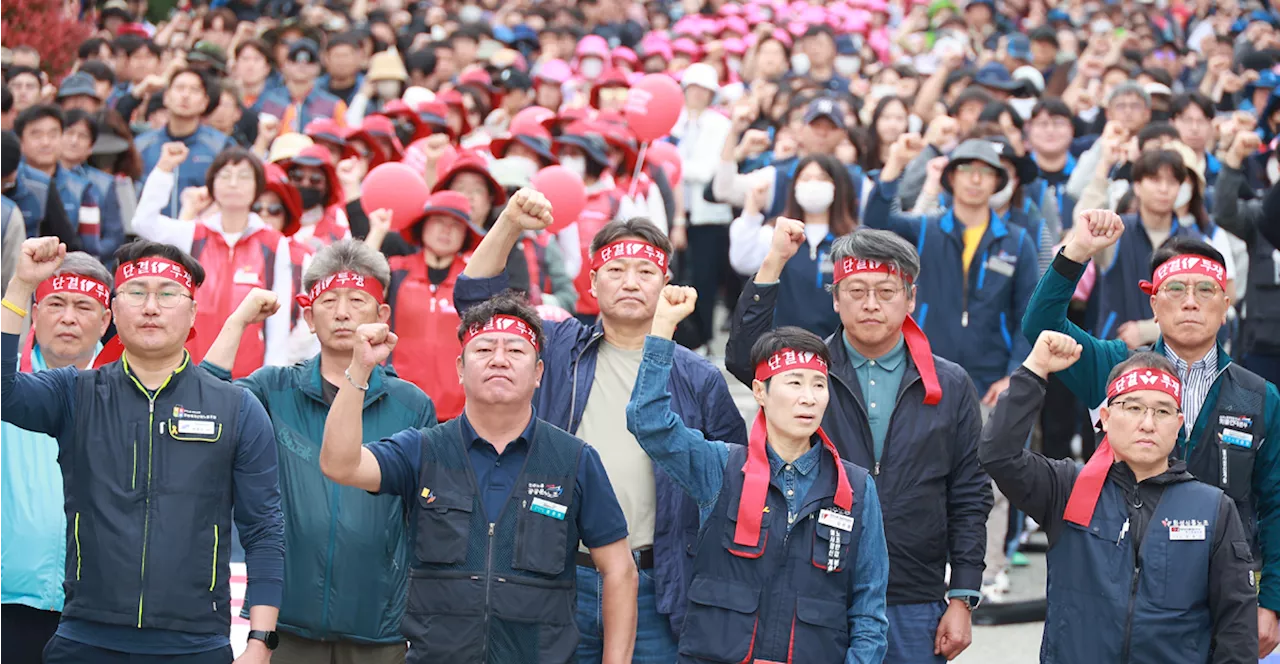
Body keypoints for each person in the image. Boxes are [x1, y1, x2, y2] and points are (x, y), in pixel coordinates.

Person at [456, 193, 748, 662]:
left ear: (666, 282)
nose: (630, 282)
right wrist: (510, 222)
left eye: (645, 271)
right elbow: (476, 299)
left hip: (660, 587)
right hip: (558, 575)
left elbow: (733, 488)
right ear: (592, 282)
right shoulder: (558, 348)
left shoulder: (700, 378)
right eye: (615, 270)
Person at [0, 237, 284, 663]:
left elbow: (264, 530)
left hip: (194, 642)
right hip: (86, 638)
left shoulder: (236, 408)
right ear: (113, 313)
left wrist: (260, 642)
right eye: (136, 293)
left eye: (167, 294)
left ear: (192, 312)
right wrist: (21, 286)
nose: (151, 307)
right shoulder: (75, 393)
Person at [319, 288, 638, 664]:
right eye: (484, 350)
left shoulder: (574, 460)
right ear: (460, 368)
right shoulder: (423, 450)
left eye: (516, 351)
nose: (499, 360)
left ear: (538, 373)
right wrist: (359, 369)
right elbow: (340, 464)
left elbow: (619, 571)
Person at [1023, 209, 1280, 658]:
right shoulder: (1112, 367)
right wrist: (1078, 251)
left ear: (1226, 305)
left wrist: (1272, 603)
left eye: (1206, 291)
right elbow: (1040, 326)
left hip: (1223, 592)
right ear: (1154, 304)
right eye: (1175, 290)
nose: (1190, 301)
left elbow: (1276, 504)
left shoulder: (1260, 397)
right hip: (1122, 588)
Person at [726, 226, 990, 663]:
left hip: (915, 595)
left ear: (910, 298)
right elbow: (741, 356)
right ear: (835, 297)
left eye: (886, 291)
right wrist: (773, 261)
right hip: (814, 591)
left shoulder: (950, 383)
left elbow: (969, 493)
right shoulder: (809, 375)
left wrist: (962, 596)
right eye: (856, 290)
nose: (871, 303)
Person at [199, 239, 435, 663]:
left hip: (380, 629)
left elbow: (425, 518)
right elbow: (205, 409)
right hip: (284, 623)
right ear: (308, 317)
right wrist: (238, 320)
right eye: (328, 301)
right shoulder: (273, 390)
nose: (342, 312)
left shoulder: (411, 405)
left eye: (357, 299)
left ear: (382, 315)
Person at [629, 286, 890, 662]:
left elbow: (868, 611)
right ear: (760, 391)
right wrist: (662, 331)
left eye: (818, 384)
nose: (809, 397)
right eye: (794, 382)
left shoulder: (856, 489)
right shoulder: (720, 467)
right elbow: (649, 423)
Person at [980, 330, 1258, 662]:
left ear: (1178, 424)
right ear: (1107, 419)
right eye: (1133, 407)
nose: (1147, 423)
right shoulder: (1067, 488)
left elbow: (1236, 631)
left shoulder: (1212, 508)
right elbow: (998, 454)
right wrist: (1035, 368)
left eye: (1163, 411)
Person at [866, 134, 1039, 407]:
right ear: (951, 177)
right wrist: (895, 162)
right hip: (925, 374)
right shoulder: (924, 230)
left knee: (995, 450)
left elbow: (1029, 317)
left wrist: (1014, 376)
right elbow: (875, 226)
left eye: (985, 172)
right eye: (967, 170)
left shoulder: (1017, 242)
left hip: (992, 383)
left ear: (997, 182)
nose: (975, 179)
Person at [0, 252, 112, 664]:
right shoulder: (7, 382)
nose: (68, 317)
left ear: (105, 320)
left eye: (83, 306)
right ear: (34, 313)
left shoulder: (132, 385)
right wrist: (20, 282)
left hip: (103, 611)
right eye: (55, 304)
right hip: (9, 602)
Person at [131, 144, 293, 377]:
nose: (234, 183)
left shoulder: (275, 244)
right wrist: (164, 168)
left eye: (244, 176)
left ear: (258, 187)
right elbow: (143, 223)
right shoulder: (194, 235)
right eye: (225, 176)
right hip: (192, 366)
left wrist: (273, 375)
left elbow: (279, 319)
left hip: (250, 373)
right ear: (212, 186)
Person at [366, 191, 482, 420]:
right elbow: (360, 284)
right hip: (395, 403)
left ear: (466, 235)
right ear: (423, 227)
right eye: (439, 221)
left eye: (456, 225)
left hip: (458, 413)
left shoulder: (474, 281)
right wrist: (378, 232)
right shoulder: (397, 270)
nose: (446, 230)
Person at [729, 154, 860, 336]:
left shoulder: (854, 240)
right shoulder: (777, 232)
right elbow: (742, 261)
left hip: (839, 345)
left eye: (822, 179)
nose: (813, 185)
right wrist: (752, 209)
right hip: (785, 344)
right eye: (805, 179)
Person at [134, 68, 231, 217]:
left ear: (205, 102)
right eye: (180, 88)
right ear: (166, 97)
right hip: (148, 237)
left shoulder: (220, 146)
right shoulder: (141, 145)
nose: (185, 95)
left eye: (194, 90)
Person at [257, 39, 348, 135]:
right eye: (295, 59)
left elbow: (344, 136)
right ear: (285, 64)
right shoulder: (268, 100)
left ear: (318, 67)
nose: (302, 65)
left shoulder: (334, 105)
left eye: (310, 61)